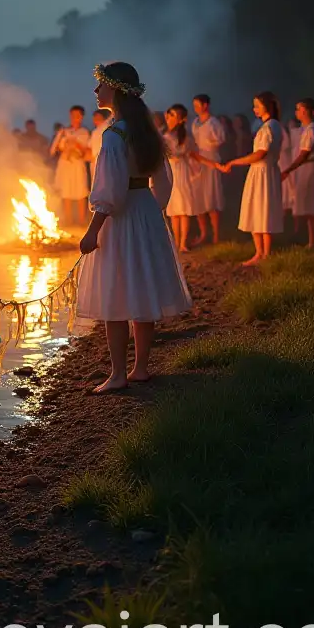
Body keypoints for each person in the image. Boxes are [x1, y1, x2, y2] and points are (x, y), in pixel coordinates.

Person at [78, 62, 191, 393]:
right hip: (146, 210)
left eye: (100, 85)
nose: (96, 91)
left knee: (115, 293)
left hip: (122, 216)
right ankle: (139, 368)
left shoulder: (113, 135)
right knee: (141, 287)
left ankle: (117, 374)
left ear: (115, 89)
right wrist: (153, 210)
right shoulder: (147, 131)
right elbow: (164, 181)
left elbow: (110, 190)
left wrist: (93, 229)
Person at [221, 93, 284, 266]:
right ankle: (261, 252)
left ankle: (264, 253)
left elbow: (260, 153)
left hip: (263, 172)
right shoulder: (272, 126)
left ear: (267, 107)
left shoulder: (271, 127)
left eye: (257, 105)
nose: (254, 109)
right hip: (261, 172)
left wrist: (234, 161)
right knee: (258, 209)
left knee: (263, 209)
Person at [281, 98, 314, 250]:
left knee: (313, 208)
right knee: (310, 208)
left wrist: (288, 170)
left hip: (311, 169)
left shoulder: (312, 130)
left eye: (298, 109)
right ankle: (313, 241)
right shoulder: (306, 129)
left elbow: (304, 154)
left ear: (306, 111)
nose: (296, 112)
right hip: (308, 168)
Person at [163, 104, 203, 252]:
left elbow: (193, 154)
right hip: (171, 171)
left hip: (182, 171)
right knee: (174, 210)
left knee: (184, 208)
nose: (168, 118)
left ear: (180, 119)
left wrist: (214, 164)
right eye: (168, 115)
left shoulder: (185, 137)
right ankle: (176, 241)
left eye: (172, 115)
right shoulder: (164, 136)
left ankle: (183, 243)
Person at [190, 94, 227, 246]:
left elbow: (221, 140)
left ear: (206, 105)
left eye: (198, 105)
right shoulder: (195, 122)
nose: (196, 108)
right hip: (197, 160)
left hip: (210, 159)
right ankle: (203, 233)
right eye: (194, 105)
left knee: (211, 196)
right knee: (198, 197)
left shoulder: (214, 123)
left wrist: (208, 148)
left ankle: (216, 235)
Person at [50, 106, 91, 226]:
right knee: (66, 192)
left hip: (78, 164)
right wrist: (61, 137)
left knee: (81, 192)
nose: (74, 118)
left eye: (77, 115)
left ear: (81, 117)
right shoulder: (64, 131)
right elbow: (54, 150)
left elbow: (87, 150)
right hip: (65, 164)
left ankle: (82, 221)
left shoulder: (84, 132)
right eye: (72, 115)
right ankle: (68, 221)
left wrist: (75, 143)